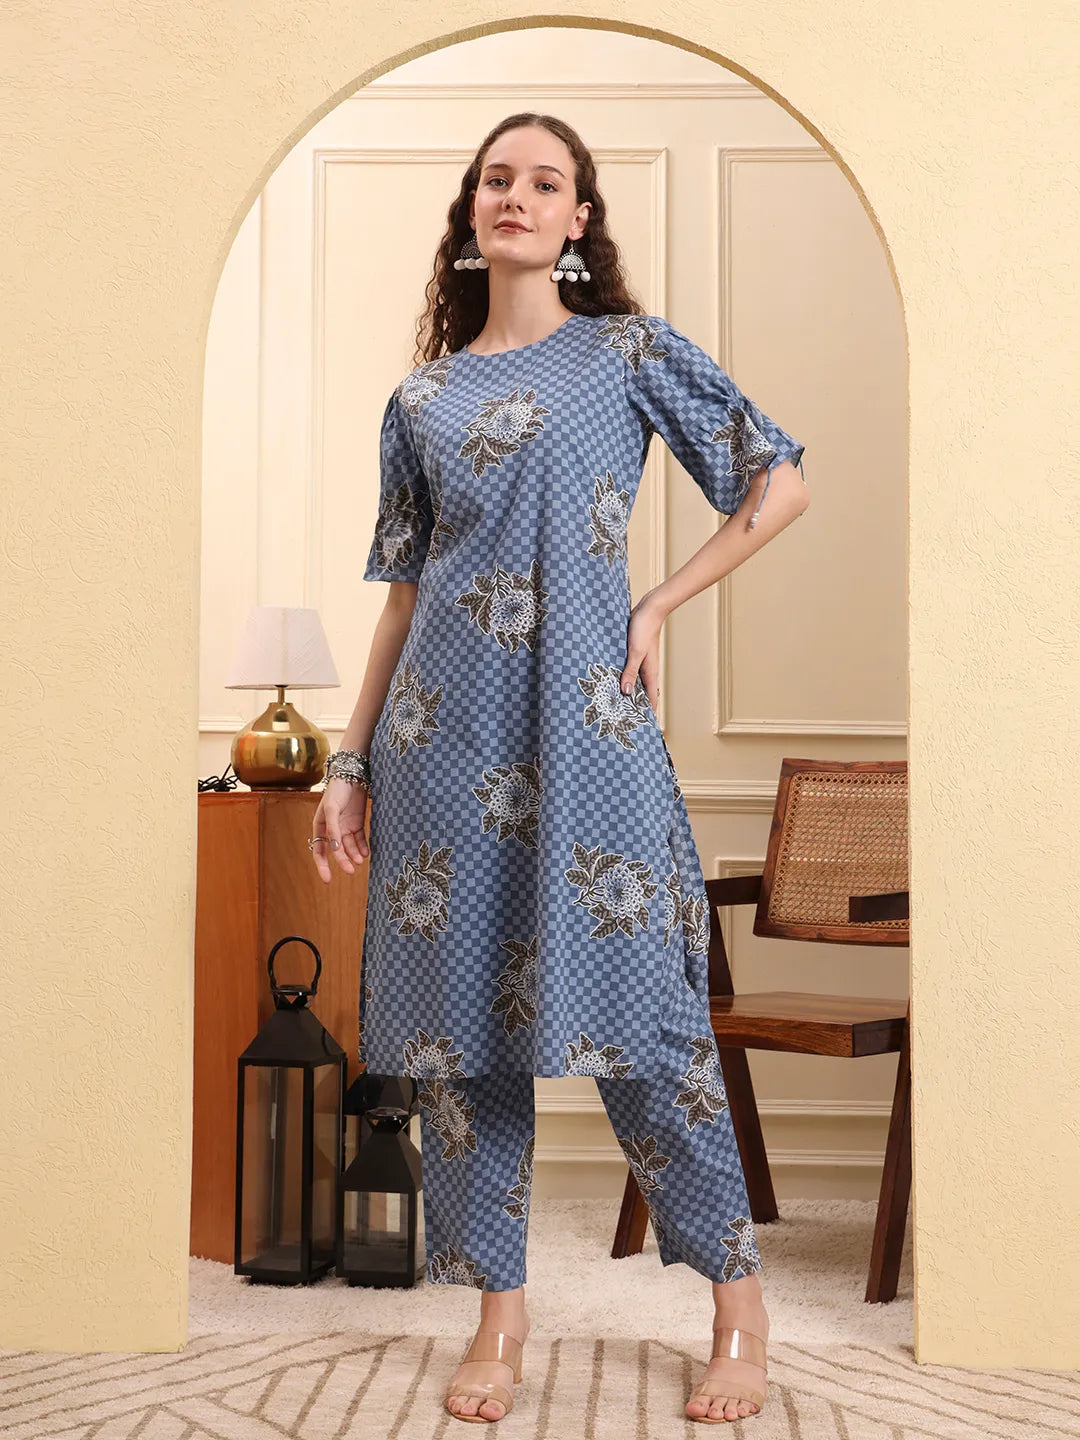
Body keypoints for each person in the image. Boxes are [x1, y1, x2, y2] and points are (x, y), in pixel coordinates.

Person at [309, 112, 808, 1425]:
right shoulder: (421, 399)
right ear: (471, 211)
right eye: (496, 179)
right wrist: (349, 760)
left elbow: (779, 482)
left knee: (652, 1027)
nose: (516, 197)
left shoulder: (626, 352)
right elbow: (404, 598)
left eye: (545, 183)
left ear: (579, 219)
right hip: (439, 744)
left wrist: (659, 603)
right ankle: (500, 1316)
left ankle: (738, 1309)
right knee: (459, 1039)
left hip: (588, 732)